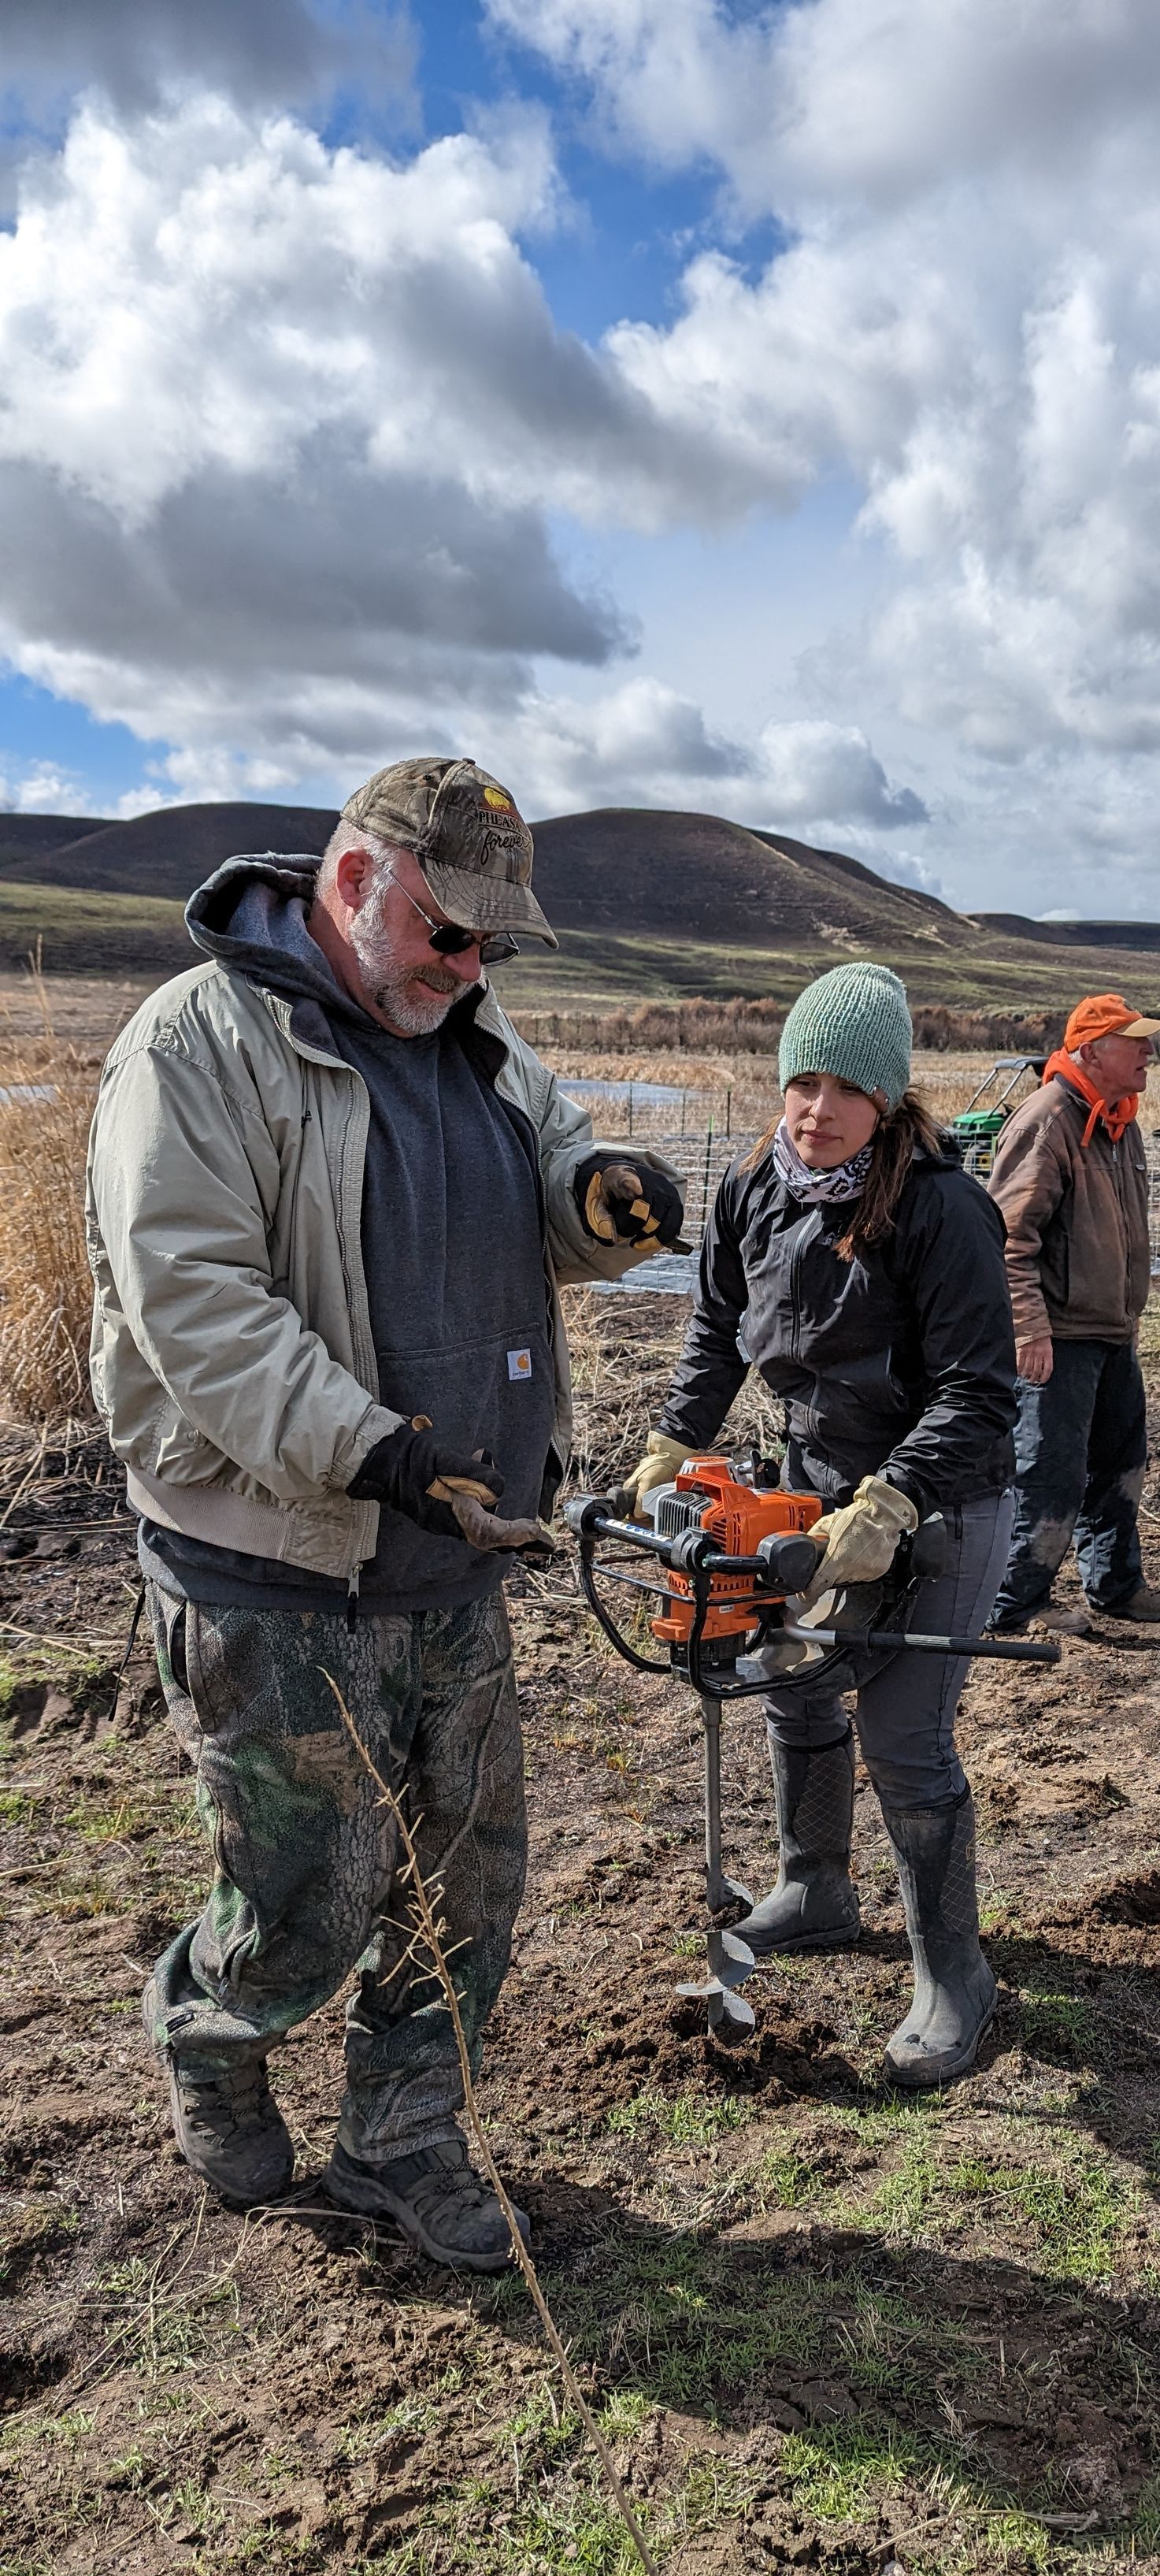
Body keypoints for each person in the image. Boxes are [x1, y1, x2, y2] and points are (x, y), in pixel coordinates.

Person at [86, 757, 687, 2268]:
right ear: (355, 882)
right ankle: (214, 2041)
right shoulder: (199, 1045)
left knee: (467, 1885)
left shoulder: (476, 1036)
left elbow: (553, 1156)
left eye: (493, 943)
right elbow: (195, 1303)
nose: (472, 964)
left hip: (455, 1553)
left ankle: (401, 2138)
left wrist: (600, 1187)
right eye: (448, 931)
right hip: (276, 1560)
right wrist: (368, 1449)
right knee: (305, 1899)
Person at [621, 961, 1018, 2090]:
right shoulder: (758, 1186)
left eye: (846, 1087)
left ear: (889, 1098)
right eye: (803, 1080)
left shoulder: (943, 1209)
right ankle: (819, 1885)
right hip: (811, 1478)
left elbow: (983, 1388)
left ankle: (955, 1972)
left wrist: (892, 1500)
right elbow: (714, 1329)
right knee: (792, 1684)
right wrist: (671, 1442)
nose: (817, 1108)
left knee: (903, 1736)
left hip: (941, 1492)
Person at [985, 993, 1160, 1638]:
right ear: (1093, 1050)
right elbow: (1008, 1238)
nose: (1149, 1051)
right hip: (1060, 1337)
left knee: (1120, 1463)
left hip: (1111, 1331)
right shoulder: (1048, 1120)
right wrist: (1029, 1327)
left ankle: (1116, 1585)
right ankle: (1015, 1603)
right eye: (1137, 1040)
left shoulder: (1118, 1123)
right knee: (1048, 1473)